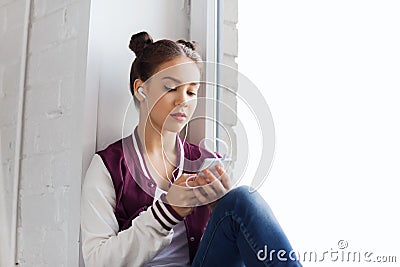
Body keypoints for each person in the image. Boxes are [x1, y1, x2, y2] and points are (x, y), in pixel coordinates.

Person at [80, 31, 302, 267]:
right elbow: (97, 261)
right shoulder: (109, 166)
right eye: (171, 88)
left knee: (240, 200)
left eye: (191, 92)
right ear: (141, 89)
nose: (183, 100)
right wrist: (168, 211)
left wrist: (219, 207)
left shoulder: (208, 162)